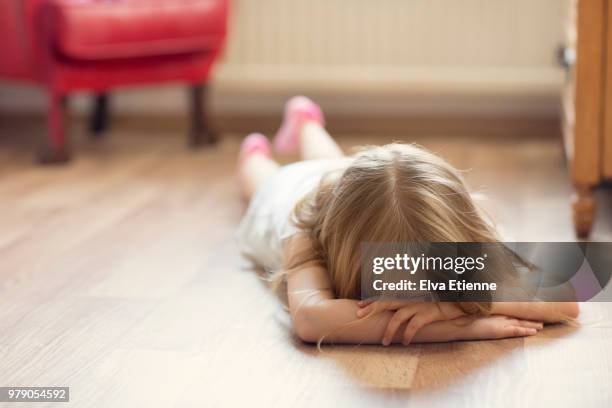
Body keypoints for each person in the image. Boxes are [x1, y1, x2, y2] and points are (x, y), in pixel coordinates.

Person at [236, 96, 579, 345]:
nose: (426, 302)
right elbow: (311, 320)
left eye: (439, 288)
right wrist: (461, 325)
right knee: (264, 179)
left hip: (342, 181)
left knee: (331, 161)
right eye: (406, 297)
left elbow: (568, 294)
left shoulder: (460, 230)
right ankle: (254, 152)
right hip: (287, 196)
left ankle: (306, 121)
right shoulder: (305, 236)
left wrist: (455, 305)